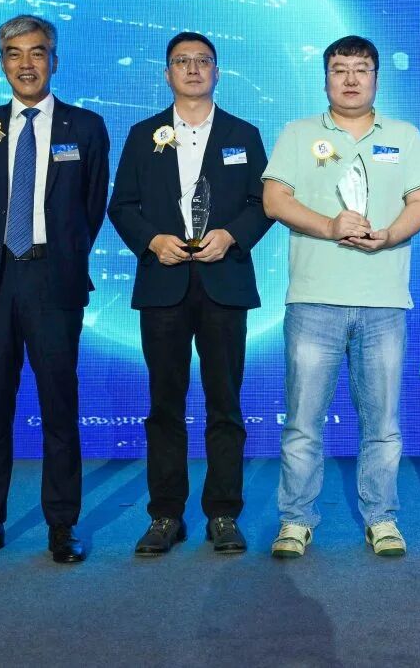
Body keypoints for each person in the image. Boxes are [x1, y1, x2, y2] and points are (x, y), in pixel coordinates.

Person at [261, 35, 420, 558]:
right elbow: (274, 199)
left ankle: (382, 518)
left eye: (361, 69)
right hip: (314, 300)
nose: (351, 79)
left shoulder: (404, 136)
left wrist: (391, 235)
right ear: (326, 79)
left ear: (376, 77)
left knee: (382, 425)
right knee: (302, 423)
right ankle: (296, 520)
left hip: (384, 301)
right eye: (340, 69)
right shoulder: (299, 133)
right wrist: (330, 226)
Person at [0, 14, 109, 564]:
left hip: (53, 280)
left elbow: (90, 209)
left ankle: (62, 527)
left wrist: (57, 254)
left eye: (37, 52)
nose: (26, 64)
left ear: (53, 60)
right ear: (2, 64)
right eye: (14, 54)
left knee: (59, 408)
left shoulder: (85, 127)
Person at [108, 32, 273, 556]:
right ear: (167, 74)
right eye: (183, 61)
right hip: (164, 284)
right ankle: (165, 515)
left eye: (203, 61)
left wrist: (233, 236)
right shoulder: (143, 135)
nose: (194, 69)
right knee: (165, 404)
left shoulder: (243, 134)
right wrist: (152, 241)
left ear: (218, 72)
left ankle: (223, 513)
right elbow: (121, 205)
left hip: (224, 283)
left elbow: (263, 203)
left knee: (225, 404)